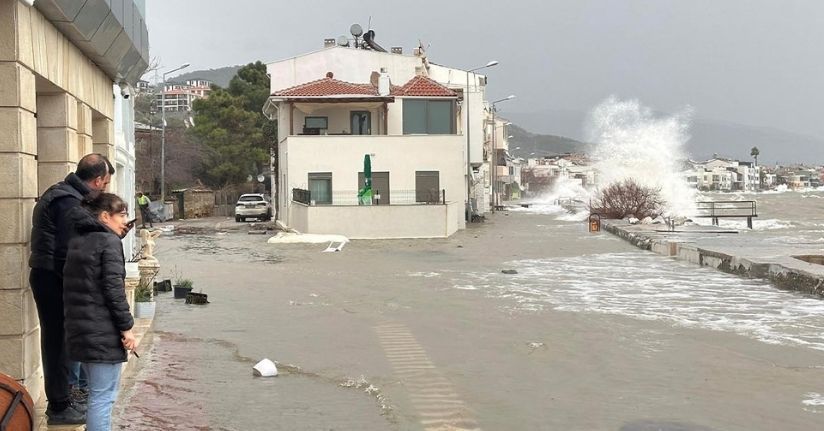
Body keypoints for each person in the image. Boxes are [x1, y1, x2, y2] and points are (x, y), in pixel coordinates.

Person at [29, 154, 114, 425]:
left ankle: (66, 397)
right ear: (98, 180)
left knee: (64, 341)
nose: (105, 189)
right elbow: (69, 251)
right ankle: (59, 406)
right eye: (106, 183)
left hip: (53, 276)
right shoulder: (67, 201)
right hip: (53, 278)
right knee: (57, 343)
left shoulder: (65, 195)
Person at [63, 193, 136, 431]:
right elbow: (114, 291)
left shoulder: (78, 239)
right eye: (122, 214)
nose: (125, 220)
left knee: (97, 396)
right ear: (105, 216)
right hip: (102, 333)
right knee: (103, 399)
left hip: (80, 331)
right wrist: (127, 328)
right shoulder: (109, 242)